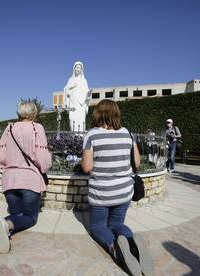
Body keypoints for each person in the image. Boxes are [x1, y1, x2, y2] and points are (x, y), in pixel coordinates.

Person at [81, 99, 154, 276]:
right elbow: (137, 163)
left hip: (102, 192)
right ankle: (132, 242)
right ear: (116, 113)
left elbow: (87, 167)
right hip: (124, 191)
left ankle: (116, 248)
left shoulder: (92, 135)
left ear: (98, 114)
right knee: (117, 224)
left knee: (98, 227)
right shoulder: (128, 133)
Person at [0, 101, 51, 256]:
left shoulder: (9, 127)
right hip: (29, 180)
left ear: (19, 113)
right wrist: (44, 168)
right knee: (29, 218)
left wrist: (7, 169)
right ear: (34, 113)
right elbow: (42, 157)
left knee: (16, 215)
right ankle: (4, 225)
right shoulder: (36, 128)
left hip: (10, 180)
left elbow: (2, 155)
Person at [63, 61, 90, 132]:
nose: (78, 69)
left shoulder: (84, 80)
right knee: (72, 120)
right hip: (72, 104)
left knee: (81, 121)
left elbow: (87, 92)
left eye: (80, 68)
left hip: (81, 104)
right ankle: (74, 137)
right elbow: (65, 89)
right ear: (74, 68)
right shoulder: (70, 80)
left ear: (82, 70)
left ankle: (80, 137)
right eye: (77, 67)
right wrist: (70, 87)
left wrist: (88, 96)